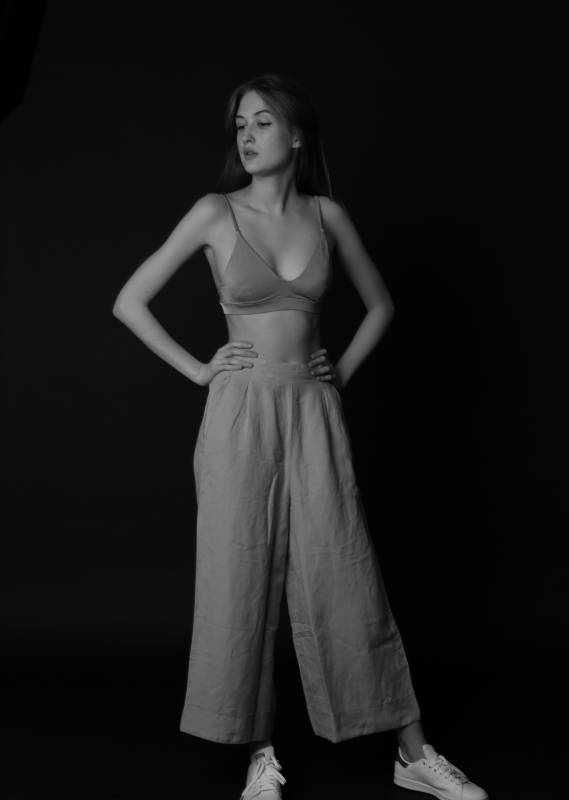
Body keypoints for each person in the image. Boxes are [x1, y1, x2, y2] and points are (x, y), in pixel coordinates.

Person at [112, 72, 488, 800]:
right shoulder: (215, 212)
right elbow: (129, 300)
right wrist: (199, 369)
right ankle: (259, 752)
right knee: (241, 575)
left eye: (262, 122)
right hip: (240, 413)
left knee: (346, 572)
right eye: (240, 125)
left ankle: (413, 753)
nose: (247, 136)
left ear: (296, 135)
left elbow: (381, 305)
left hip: (314, 409)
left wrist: (339, 370)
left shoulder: (327, 216)